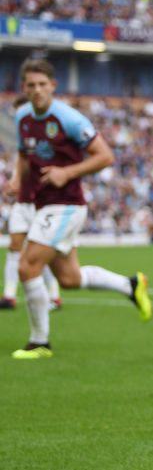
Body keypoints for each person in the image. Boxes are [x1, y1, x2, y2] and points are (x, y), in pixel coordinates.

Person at [11, 59, 151, 359]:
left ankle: (39, 343)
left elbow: (106, 156)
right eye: (31, 85)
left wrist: (67, 173)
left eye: (42, 85)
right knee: (70, 279)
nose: (36, 90)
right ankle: (131, 285)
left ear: (53, 86)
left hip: (66, 205)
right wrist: (15, 179)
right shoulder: (21, 116)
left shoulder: (69, 118)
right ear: (23, 88)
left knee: (27, 266)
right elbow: (24, 155)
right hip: (42, 204)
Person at [2, 96, 62, 312]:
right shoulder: (24, 140)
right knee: (15, 247)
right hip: (22, 201)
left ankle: (54, 295)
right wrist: (15, 181)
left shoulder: (39, 137)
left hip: (39, 203)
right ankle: (9, 295)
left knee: (37, 253)